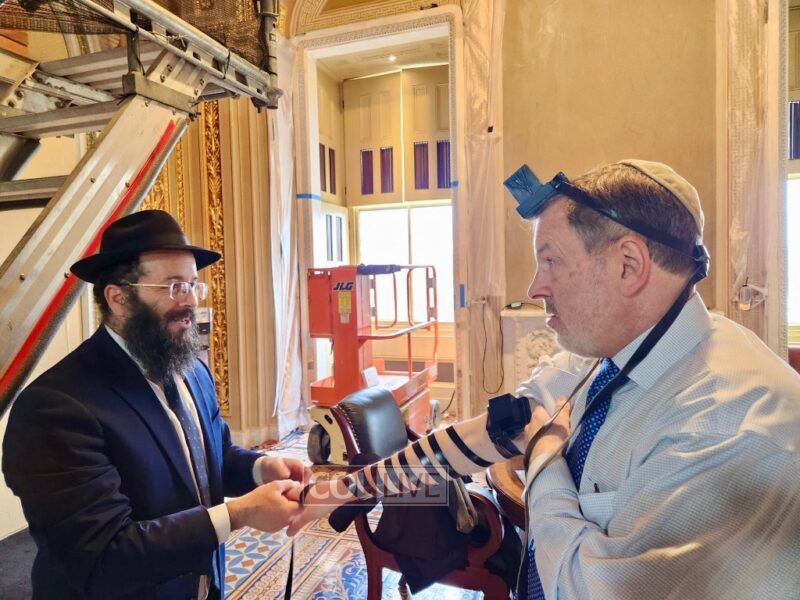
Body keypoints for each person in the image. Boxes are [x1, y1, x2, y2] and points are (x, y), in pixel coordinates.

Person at [287, 160, 800, 599]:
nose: (535, 287)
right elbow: (485, 434)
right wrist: (344, 490)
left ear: (628, 266)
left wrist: (545, 452)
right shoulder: (608, 353)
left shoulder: (725, 427)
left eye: (551, 261)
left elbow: (578, 588)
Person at [2, 210, 310, 600]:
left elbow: (210, 454)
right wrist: (239, 514)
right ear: (118, 298)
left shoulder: (193, 371)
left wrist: (259, 467)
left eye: (194, 286)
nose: (189, 303)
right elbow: (102, 556)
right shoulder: (55, 408)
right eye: (173, 286)